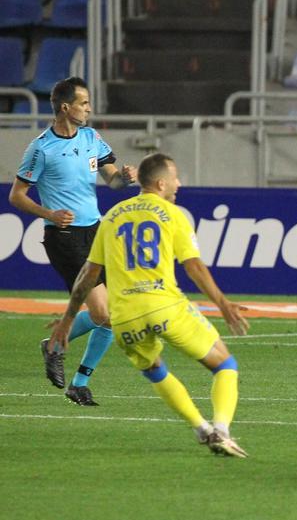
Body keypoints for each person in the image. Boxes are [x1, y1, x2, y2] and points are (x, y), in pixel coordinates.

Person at [49, 153, 252, 457]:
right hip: (164, 306)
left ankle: (201, 429)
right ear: (160, 183)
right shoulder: (173, 214)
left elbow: (87, 275)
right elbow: (193, 266)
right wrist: (222, 304)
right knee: (225, 365)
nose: (179, 183)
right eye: (176, 178)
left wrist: (66, 320)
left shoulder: (113, 216)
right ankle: (221, 429)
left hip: (125, 318)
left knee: (156, 371)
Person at [9, 76, 136, 406]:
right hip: (64, 236)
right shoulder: (41, 148)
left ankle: (78, 382)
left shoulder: (92, 138)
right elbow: (16, 196)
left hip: (96, 232)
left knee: (112, 315)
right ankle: (54, 346)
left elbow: (112, 180)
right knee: (102, 311)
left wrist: (125, 178)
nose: (89, 109)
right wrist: (49, 214)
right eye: (84, 103)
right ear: (66, 108)